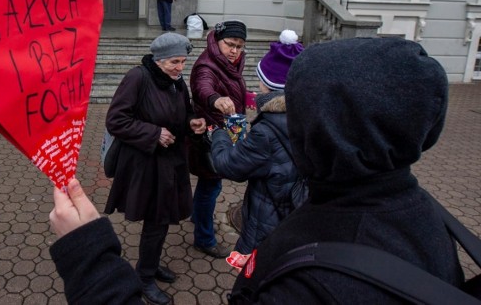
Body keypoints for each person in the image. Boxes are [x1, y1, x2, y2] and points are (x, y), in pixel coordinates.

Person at [48, 37, 465, 304]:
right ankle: (148, 268)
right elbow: (122, 120)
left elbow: (228, 161)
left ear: (319, 128)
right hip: (151, 167)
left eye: (292, 104)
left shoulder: (313, 279)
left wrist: (90, 260)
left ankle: (147, 270)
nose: (262, 99)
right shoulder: (433, 223)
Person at [102, 32, 206, 304]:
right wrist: (153, 133)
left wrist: (192, 123)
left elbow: (183, 113)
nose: (180, 68)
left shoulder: (177, 82)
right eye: (174, 61)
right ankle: (144, 278)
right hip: (145, 165)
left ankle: (151, 265)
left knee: (160, 220)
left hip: (171, 163)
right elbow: (116, 120)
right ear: (158, 60)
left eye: (183, 61)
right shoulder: (138, 78)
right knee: (156, 220)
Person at [209, 30, 305, 266]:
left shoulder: (266, 130)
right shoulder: (309, 113)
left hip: (268, 219)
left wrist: (218, 134)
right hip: (298, 216)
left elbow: (229, 166)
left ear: (267, 84)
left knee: (254, 275)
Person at [188, 19, 248, 259]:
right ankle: (204, 239)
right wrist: (215, 99)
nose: (234, 51)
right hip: (210, 137)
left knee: (209, 184)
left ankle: (197, 216)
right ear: (217, 41)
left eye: (240, 46)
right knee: (210, 185)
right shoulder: (206, 65)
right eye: (230, 44)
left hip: (225, 132)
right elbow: (202, 87)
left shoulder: (229, 62)